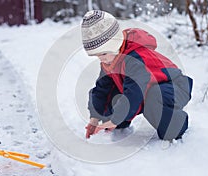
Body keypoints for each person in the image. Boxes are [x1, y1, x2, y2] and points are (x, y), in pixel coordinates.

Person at [82, 10, 193, 142]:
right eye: (97, 56)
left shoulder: (136, 58)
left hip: (174, 86)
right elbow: (102, 90)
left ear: (114, 45)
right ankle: (117, 123)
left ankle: (175, 126)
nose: (101, 59)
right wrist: (95, 118)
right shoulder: (110, 61)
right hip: (146, 88)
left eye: (103, 54)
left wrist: (116, 119)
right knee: (112, 91)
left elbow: (135, 91)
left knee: (153, 96)